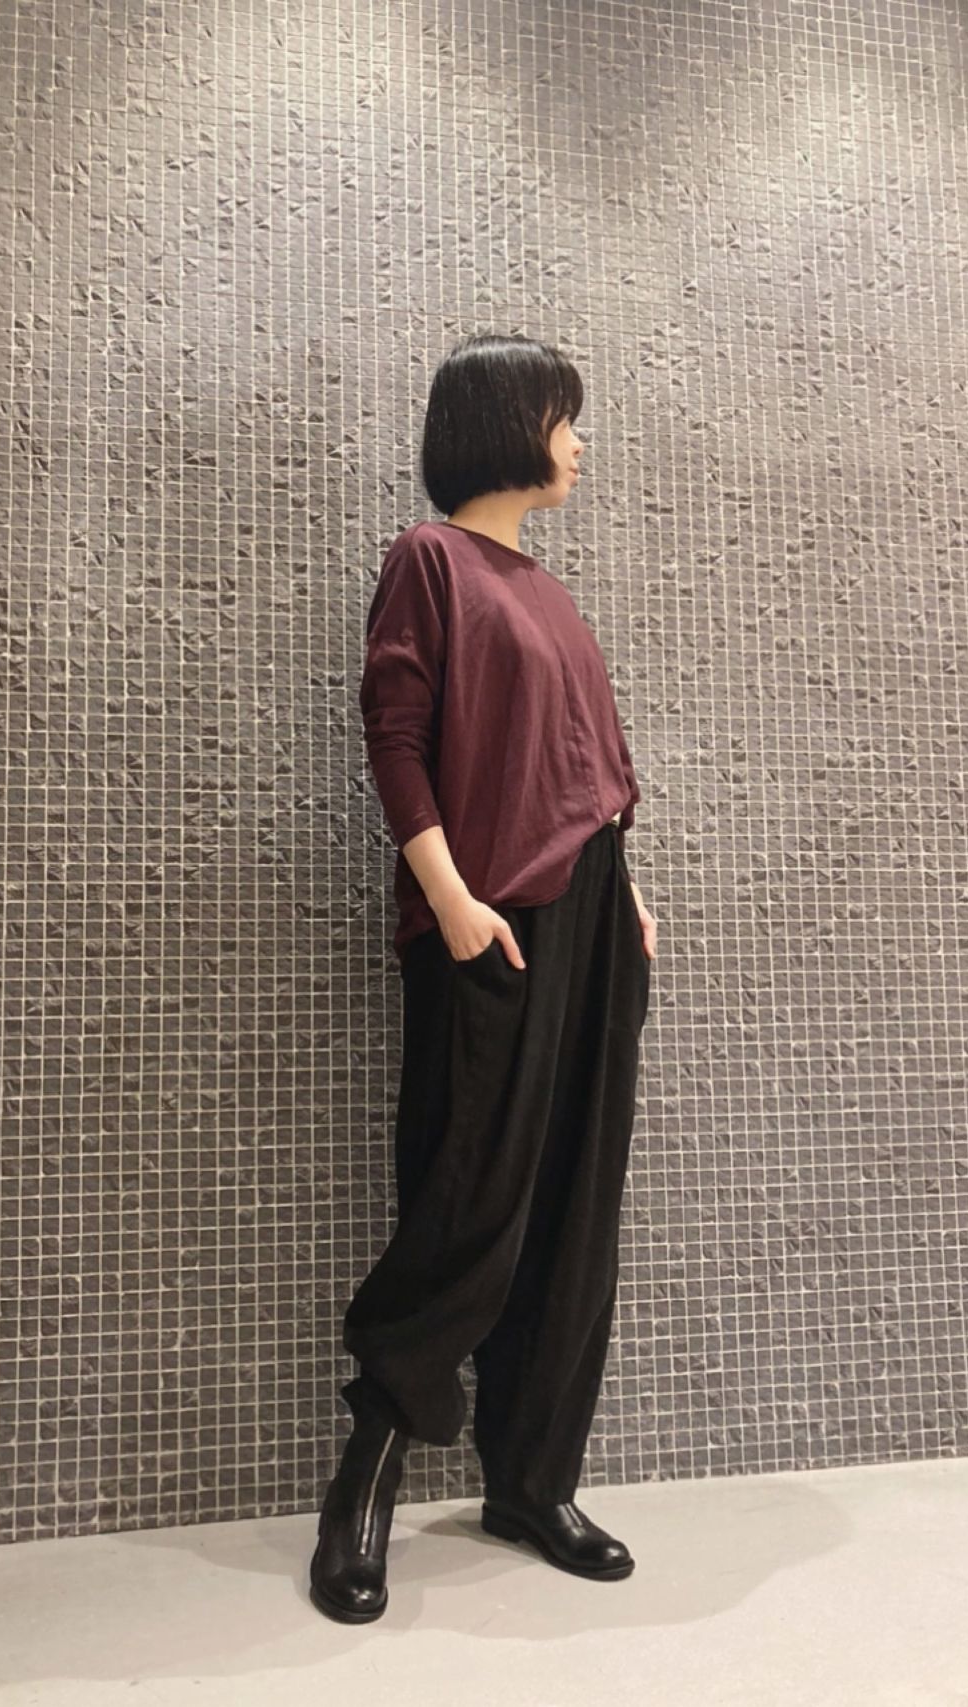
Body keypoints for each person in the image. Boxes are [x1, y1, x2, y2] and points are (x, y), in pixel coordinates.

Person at [310, 333, 658, 1624]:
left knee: (573, 1207)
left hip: (594, 918)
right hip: (490, 922)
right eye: (565, 418)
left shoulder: (550, 593)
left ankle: (531, 1483)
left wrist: (627, 891)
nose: (580, 443)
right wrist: (449, 899)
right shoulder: (431, 560)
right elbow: (395, 734)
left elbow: (586, 764)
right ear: (506, 425)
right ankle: (363, 1485)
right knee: (468, 1201)